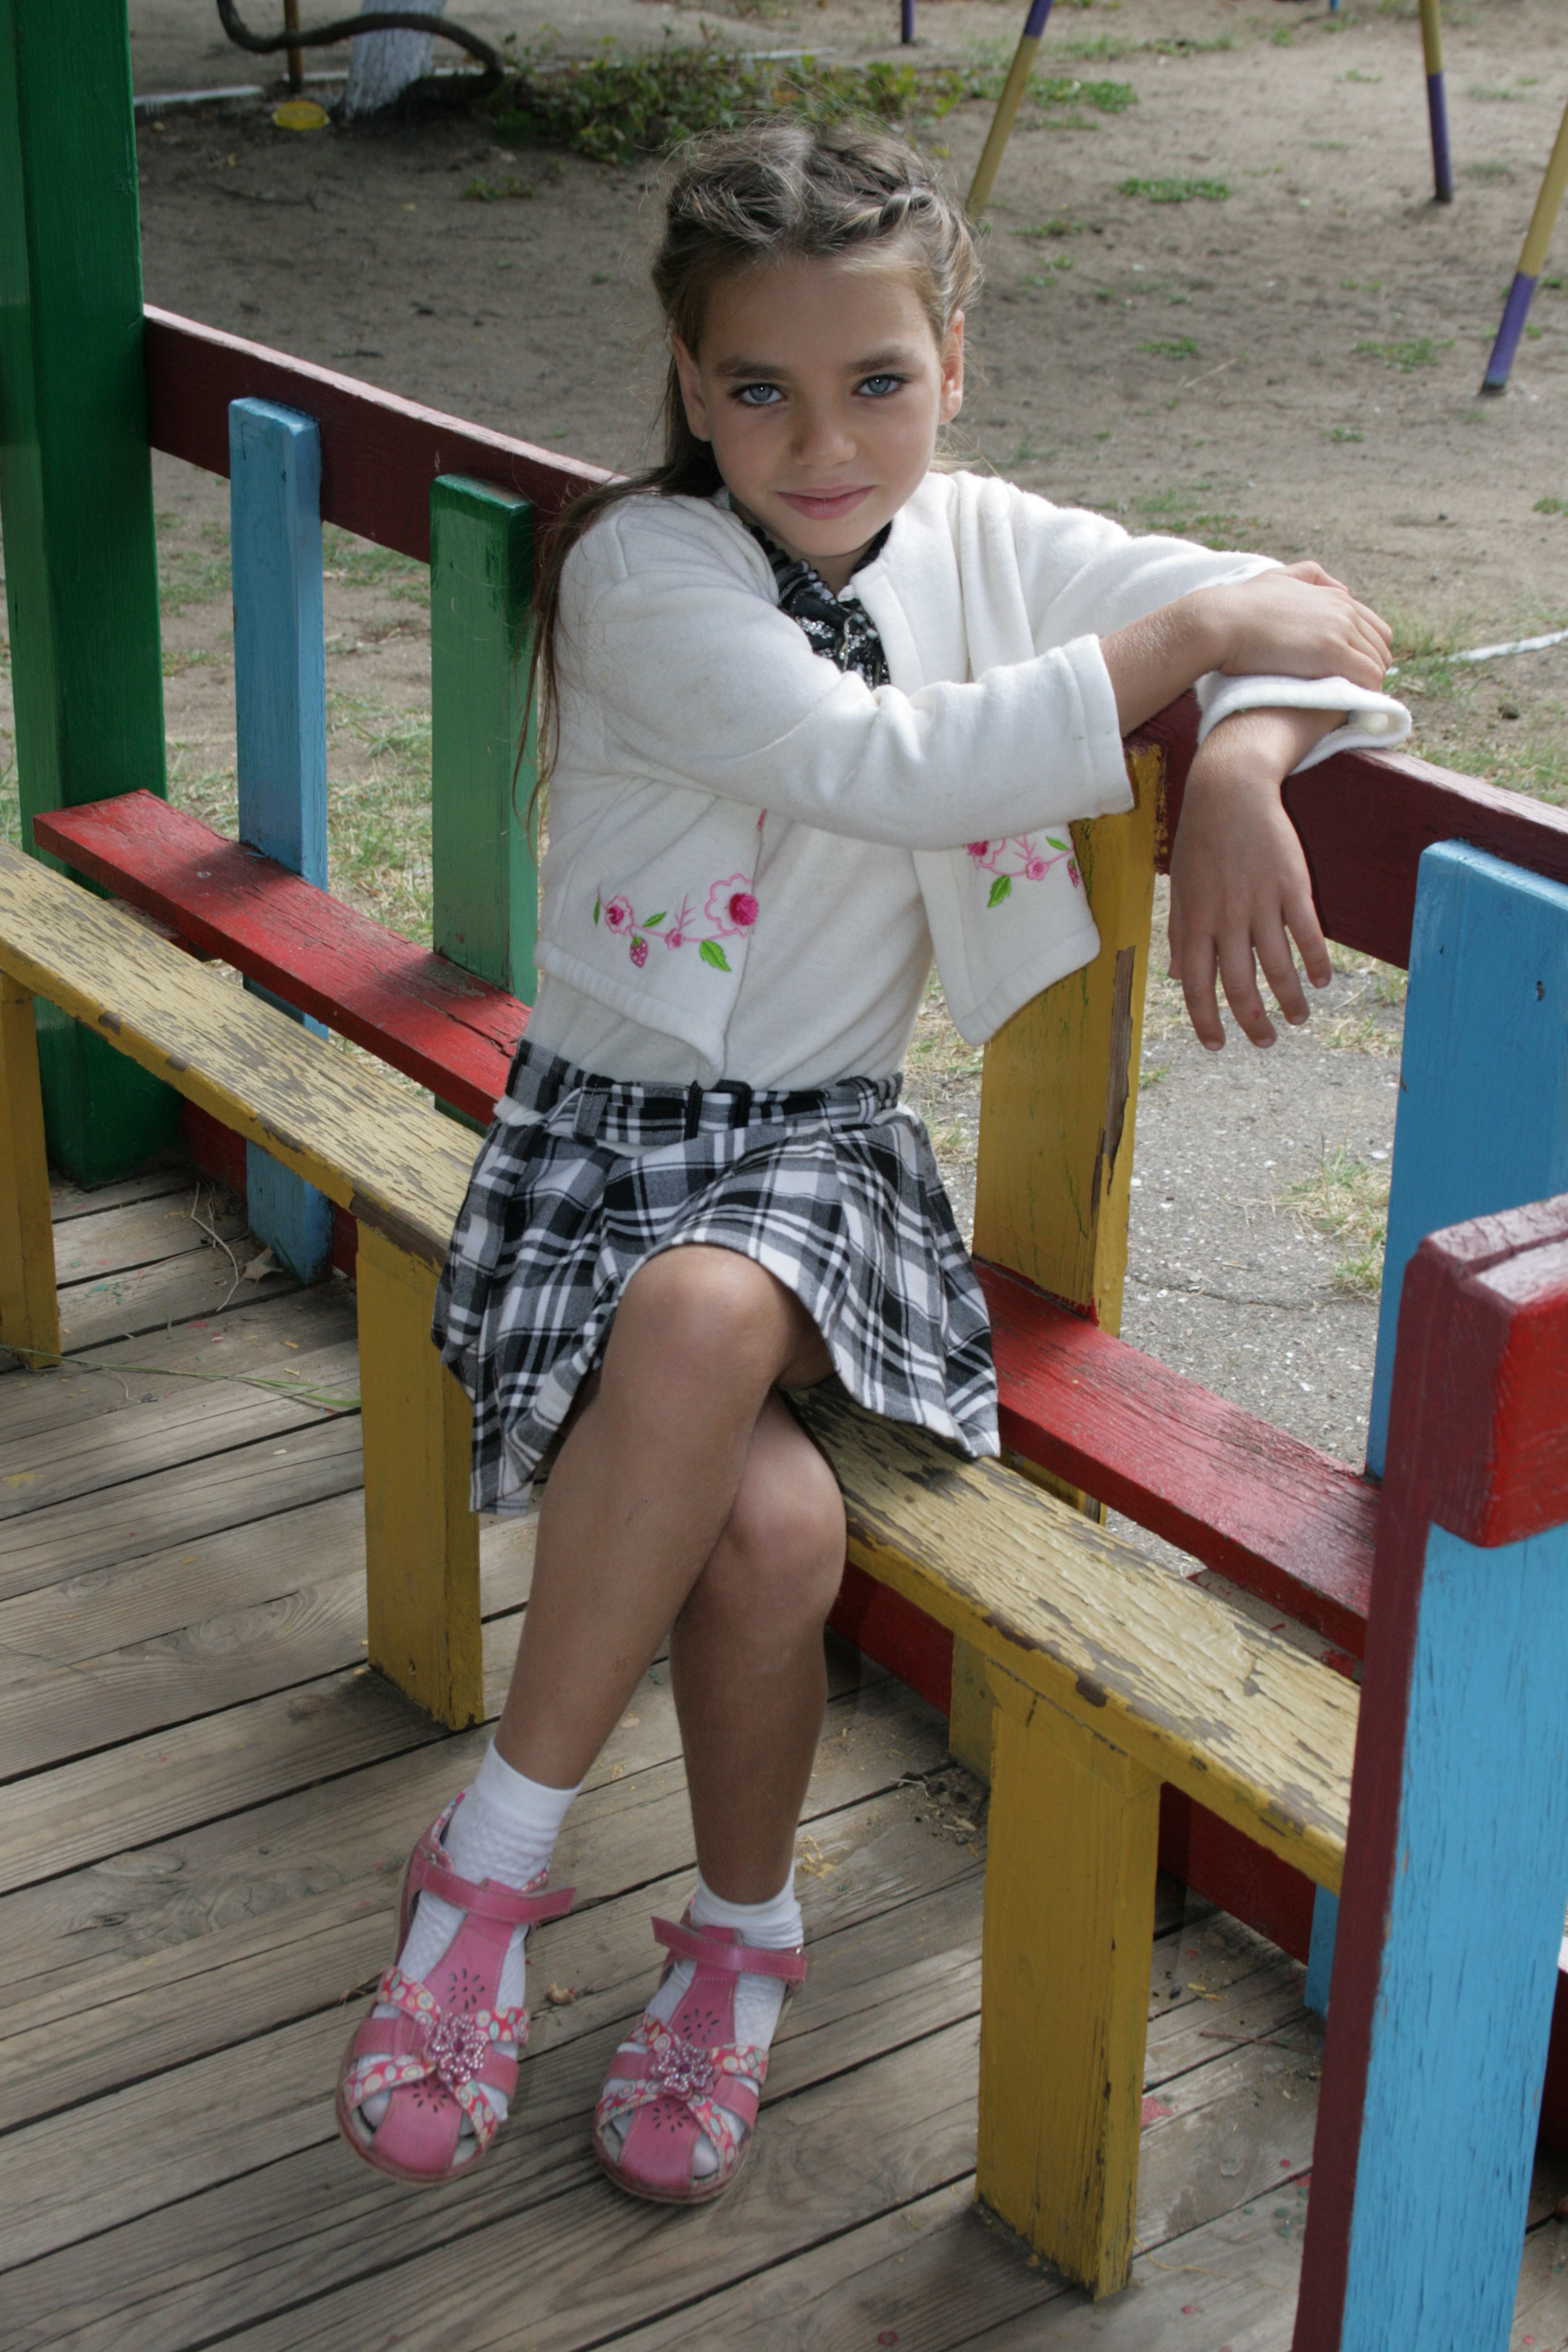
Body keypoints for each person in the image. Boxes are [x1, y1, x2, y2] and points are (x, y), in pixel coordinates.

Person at [335, 117, 1405, 2200]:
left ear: (955, 364)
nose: (823, 444)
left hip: (814, 1158)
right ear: (686, 378)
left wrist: (1245, 760)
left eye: (879, 382)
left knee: (708, 1309)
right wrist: (1187, 645)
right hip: (598, 1152)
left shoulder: (988, 545)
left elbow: (1317, 618)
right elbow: (876, 760)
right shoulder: (642, 570)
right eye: (760, 388)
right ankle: (738, 1941)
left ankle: (488, 1868)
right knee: (768, 1537)